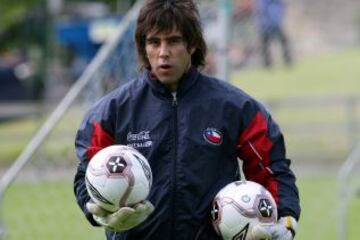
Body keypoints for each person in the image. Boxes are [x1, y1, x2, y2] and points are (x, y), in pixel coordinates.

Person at [73, 1, 300, 239]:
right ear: (143, 47)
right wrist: (97, 211)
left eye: (173, 41)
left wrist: (285, 221)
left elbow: (272, 169)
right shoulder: (112, 112)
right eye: (154, 42)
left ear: (192, 44)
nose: (163, 53)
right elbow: (87, 172)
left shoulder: (235, 107)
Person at [255, 0, 292, 68]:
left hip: (273, 23)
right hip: (267, 24)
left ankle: (287, 61)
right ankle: (267, 64)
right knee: (265, 44)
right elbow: (261, 9)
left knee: (283, 41)